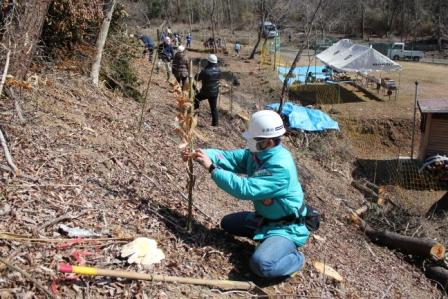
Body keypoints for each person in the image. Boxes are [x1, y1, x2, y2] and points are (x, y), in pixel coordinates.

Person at [182, 110, 309, 278]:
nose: (249, 142)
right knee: (227, 223)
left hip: (286, 226)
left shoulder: (280, 167)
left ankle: (296, 259)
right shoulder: (257, 153)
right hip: (265, 219)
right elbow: (229, 158)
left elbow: (245, 189)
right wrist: (203, 154)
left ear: (269, 142)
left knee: (261, 265)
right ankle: (266, 240)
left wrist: (212, 168)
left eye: (254, 139)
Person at [194, 54, 220, 126]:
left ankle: (195, 111)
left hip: (205, 92)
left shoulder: (205, 71)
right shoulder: (218, 70)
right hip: (215, 92)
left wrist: (200, 71)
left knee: (196, 98)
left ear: (208, 62)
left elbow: (196, 78)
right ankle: (215, 124)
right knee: (214, 108)